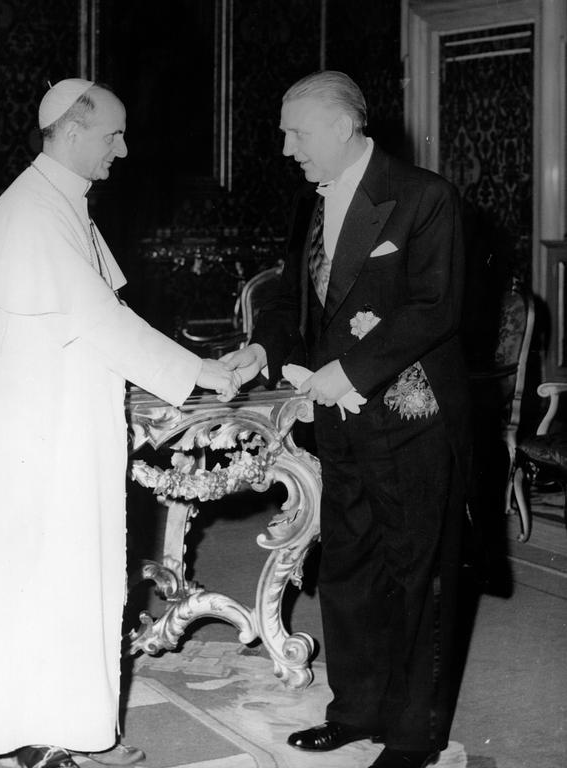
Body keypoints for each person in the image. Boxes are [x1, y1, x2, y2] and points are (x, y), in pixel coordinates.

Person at [0, 79, 239, 768]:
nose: (124, 149)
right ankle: (47, 738)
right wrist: (201, 371)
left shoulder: (54, 205)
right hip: (45, 437)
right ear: (74, 131)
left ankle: (60, 728)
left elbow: (94, 318)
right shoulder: (34, 214)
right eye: (114, 134)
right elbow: (100, 320)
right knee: (53, 575)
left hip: (60, 424)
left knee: (64, 575)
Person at [222, 71, 471, 768]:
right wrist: (262, 346)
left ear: (341, 127)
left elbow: (433, 307)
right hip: (337, 424)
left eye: (294, 132)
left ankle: (414, 735)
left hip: (408, 416)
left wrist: (350, 372)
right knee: (348, 568)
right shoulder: (311, 201)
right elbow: (291, 301)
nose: (283, 148)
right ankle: (355, 711)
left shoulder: (424, 198)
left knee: (415, 571)